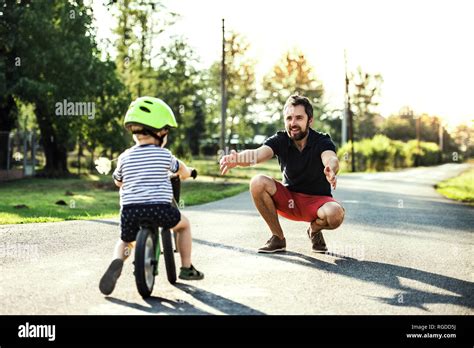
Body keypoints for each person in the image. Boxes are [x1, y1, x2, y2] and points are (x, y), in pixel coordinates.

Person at [99, 97, 203, 296]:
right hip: (159, 208)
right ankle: (187, 268)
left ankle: (118, 261)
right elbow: (181, 170)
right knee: (184, 225)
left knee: (126, 241)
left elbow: (118, 182)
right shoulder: (164, 155)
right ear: (161, 132)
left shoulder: (124, 157)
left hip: (130, 211)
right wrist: (190, 172)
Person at [220, 94, 344, 253]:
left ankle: (314, 230)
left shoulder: (322, 141)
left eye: (299, 118)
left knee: (335, 214)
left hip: (317, 203)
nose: (293, 123)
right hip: (289, 200)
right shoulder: (280, 139)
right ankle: (277, 238)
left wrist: (331, 168)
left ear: (310, 120)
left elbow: (331, 158)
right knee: (257, 182)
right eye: (289, 118)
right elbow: (258, 154)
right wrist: (237, 159)